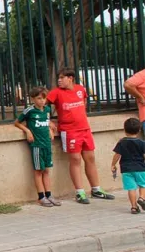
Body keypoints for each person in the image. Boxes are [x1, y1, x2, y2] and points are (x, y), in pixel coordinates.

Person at [47, 68, 114, 204]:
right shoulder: (56, 93)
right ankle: (80, 192)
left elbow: (82, 105)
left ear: (70, 78)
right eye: (58, 78)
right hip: (69, 131)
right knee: (76, 159)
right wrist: (48, 121)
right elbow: (43, 105)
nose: (59, 80)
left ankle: (96, 189)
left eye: (62, 78)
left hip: (85, 129)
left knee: (90, 158)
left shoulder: (80, 89)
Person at [14, 86, 61, 207]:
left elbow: (47, 121)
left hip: (47, 144)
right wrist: (28, 131)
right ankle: (41, 196)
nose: (42, 101)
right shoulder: (29, 111)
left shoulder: (46, 110)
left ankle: (49, 194)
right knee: (38, 170)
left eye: (44, 98)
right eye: (39, 98)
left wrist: (50, 129)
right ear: (33, 99)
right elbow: (17, 123)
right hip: (37, 145)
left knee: (46, 170)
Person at [111, 118, 145, 214]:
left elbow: (117, 155)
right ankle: (142, 198)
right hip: (140, 168)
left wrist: (113, 165)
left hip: (126, 169)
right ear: (139, 130)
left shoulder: (121, 142)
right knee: (143, 185)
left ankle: (134, 207)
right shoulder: (142, 143)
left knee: (131, 188)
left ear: (124, 130)